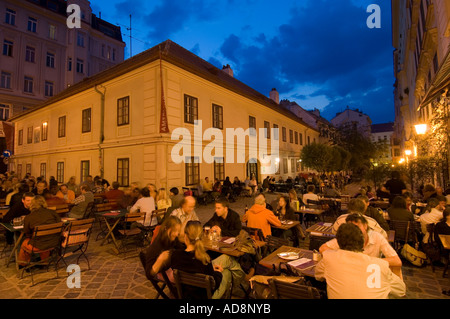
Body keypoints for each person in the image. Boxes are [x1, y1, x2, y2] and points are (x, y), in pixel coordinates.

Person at [315, 223, 406, 299]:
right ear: (363, 243)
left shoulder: (329, 258)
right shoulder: (380, 265)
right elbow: (401, 291)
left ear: (338, 243)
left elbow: (318, 276)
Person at [320, 213, 401, 267]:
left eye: (357, 226)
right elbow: (323, 248)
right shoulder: (348, 237)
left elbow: (396, 261)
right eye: (351, 227)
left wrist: (368, 262)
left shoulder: (377, 237)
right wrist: (342, 258)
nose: (355, 230)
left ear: (365, 225)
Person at [17, 196, 61, 267]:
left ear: (32, 204)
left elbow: (27, 233)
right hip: (54, 242)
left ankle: (22, 264)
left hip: (38, 245)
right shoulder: (53, 213)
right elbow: (60, 224)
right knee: (45, 238)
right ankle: (44, 262)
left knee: (25, 242)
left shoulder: (29, 217)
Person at [144, 216, 184, 280]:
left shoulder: (172, 239)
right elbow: (149, 275)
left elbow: (180, 249)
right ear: (166, 228)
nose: (176, 234)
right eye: (174, 230)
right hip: (163, 273)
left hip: (172, 268)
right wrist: (160, 260)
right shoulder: (156, 246)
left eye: (178, 231)